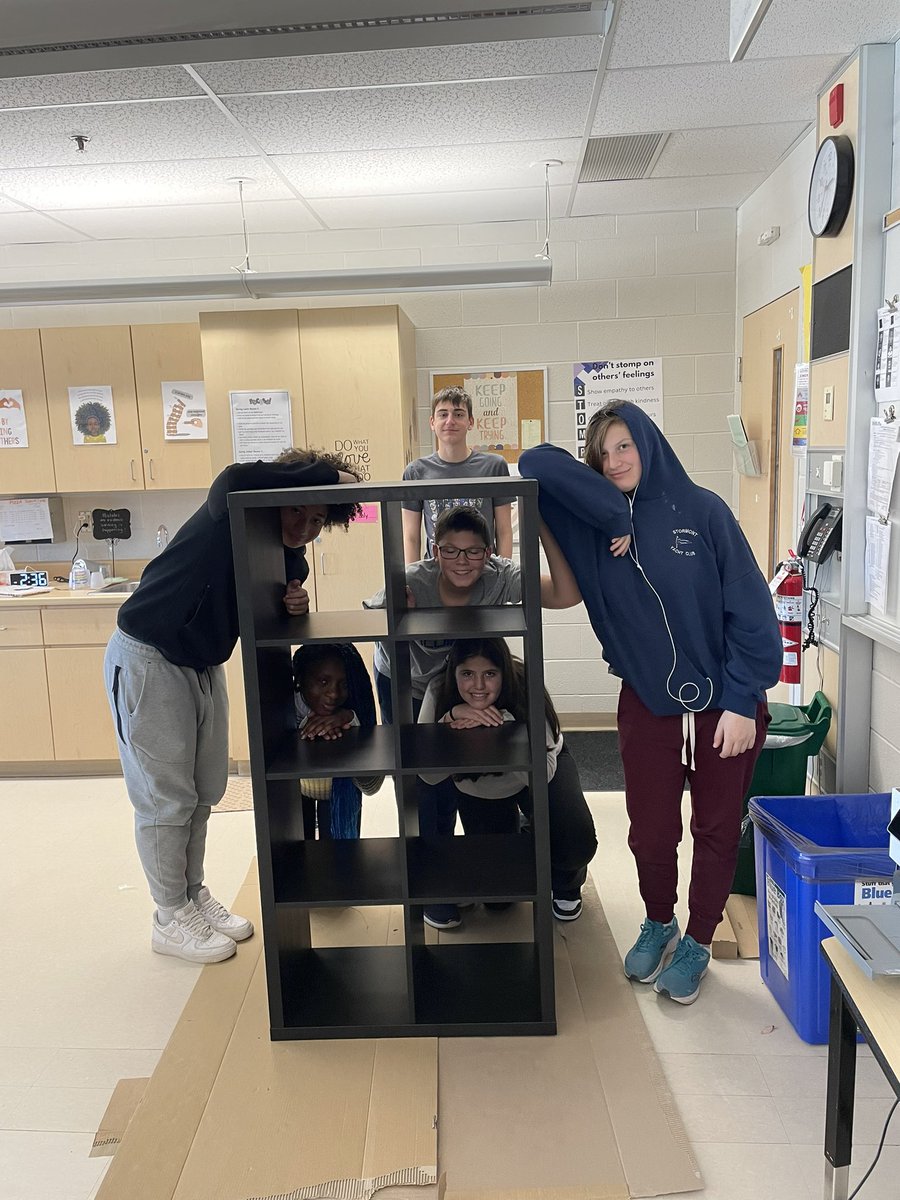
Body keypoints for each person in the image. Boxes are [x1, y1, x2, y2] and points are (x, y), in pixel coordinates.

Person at [519, 401, 781, 1005]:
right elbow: (534, 461)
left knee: (715, 829)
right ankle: (659, 921)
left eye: (625, 446)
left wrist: (743, 699)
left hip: (726, 703)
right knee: (650, 830)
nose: (615, 461)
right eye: (603, 452)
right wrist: (613, 515)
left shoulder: (702, 510)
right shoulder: (590, 531)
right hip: (648, 703)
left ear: (650, 445)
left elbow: (751, 609)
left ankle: (696, 940)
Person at [104, 449, 361, 964]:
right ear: (277, 497)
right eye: (297, 511)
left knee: (204, 793)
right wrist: (333, 476)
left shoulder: (287, 559)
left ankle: (191, 895)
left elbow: (268, 619)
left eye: (317, 520)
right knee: (165, 800)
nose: (305, 528)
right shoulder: (231, 508)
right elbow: (235, 474)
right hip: (150, 656)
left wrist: (292, 605)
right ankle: (168, 914)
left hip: (201, 665)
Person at [418, 638, 597, 929]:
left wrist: (506, 731)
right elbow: (429, 775)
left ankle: (567, 881)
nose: (478, 686)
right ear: (454, 672)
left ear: (503, 672)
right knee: (499, 896)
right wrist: (451, 720)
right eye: (467, 674)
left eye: (489, 674)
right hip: (481, 788)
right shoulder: (439, 691)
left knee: (574, 843)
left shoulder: (525, 684)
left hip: (540, 772)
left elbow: (545, 775)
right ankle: (525, 831)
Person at [363, 505, 580, 724]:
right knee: (403, 749)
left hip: (454, 682)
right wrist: (402, 621)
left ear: (487, 553)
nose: (462, 560)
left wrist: (540, 523)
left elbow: (565, 596)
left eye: (473, 551)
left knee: (452, 746)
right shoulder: (411, 583)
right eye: (450, 550)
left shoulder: (499, 576)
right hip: (402, 679)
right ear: (436, 553)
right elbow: (369, 623)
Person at [402, 386, 514, 563]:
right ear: (432, 422)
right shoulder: (416, 471)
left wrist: (503, 576)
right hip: (436, 576)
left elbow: (504, 531)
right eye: (443, 414)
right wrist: (412, 579)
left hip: (483, 573)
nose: (450, 421)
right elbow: (411, 536)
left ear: (471, 422)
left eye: (459, 414)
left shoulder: (494, 466)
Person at [292, 642, 383, 839]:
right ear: (300, 679)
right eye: (323, 682)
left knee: (339, 857)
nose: (334, 694)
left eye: (343, 684)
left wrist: (350, 718)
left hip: (339, 797)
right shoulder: (286, 708)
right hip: (295, 794)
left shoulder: (354, 710)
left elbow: (371, 785)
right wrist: (311, 725)